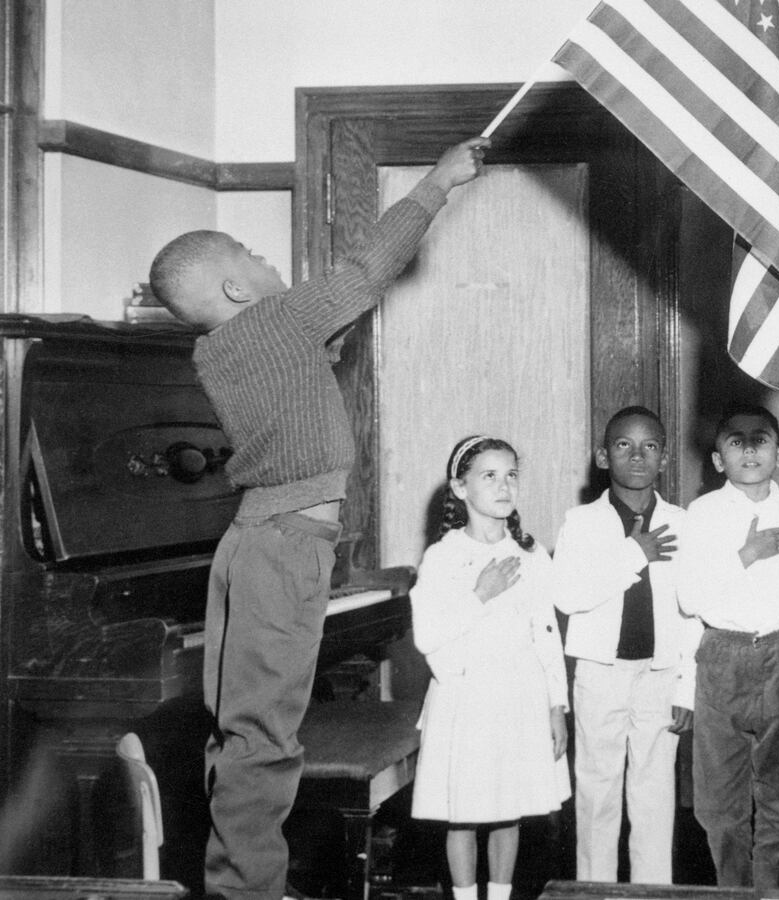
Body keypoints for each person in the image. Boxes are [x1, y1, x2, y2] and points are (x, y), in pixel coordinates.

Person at [146, 137, 487, 900]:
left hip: (259, 540)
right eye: (249, 252)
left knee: (242, 731)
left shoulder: (224, 348)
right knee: (263, 739)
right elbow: (364, 274)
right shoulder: (272, 324)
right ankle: (248, 892)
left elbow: (304, 363)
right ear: (237, 290)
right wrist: (439, 183)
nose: (267, 257)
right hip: (285, 545)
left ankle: (242, 876)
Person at [409, 436, 570, 900]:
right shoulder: (443, 558)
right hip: (466, 698)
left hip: (520, 696)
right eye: (489, 476)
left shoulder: (531, 554)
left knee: (509, 807)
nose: (504, 486)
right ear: (460, 488)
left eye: (511, 475)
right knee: (464, 809)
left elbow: (546, 633)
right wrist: (479, 594)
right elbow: (428, 636)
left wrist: (556, 704)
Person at [676, 403, 779, 890]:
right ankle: (733, 888)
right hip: (723, 657)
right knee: (720, 801)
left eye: (759, 439)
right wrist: (747, 554)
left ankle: (770, 890)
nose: (749, 449)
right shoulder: (702, 514)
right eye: (735, 441)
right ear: (719, 459)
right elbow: (689, 598)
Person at [552, 406, 698, 884]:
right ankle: (594, 889)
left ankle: (652, 891)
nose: (637, 456)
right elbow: (570, 596)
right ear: (602, 456)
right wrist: (635, 553)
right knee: (597, 791)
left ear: (664, 458)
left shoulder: (681, 521)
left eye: (649, 446)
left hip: (661, 675)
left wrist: (687, 689)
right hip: (600, 673)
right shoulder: (582, 522)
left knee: (654, 794)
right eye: (623, 445)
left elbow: (694, 612)